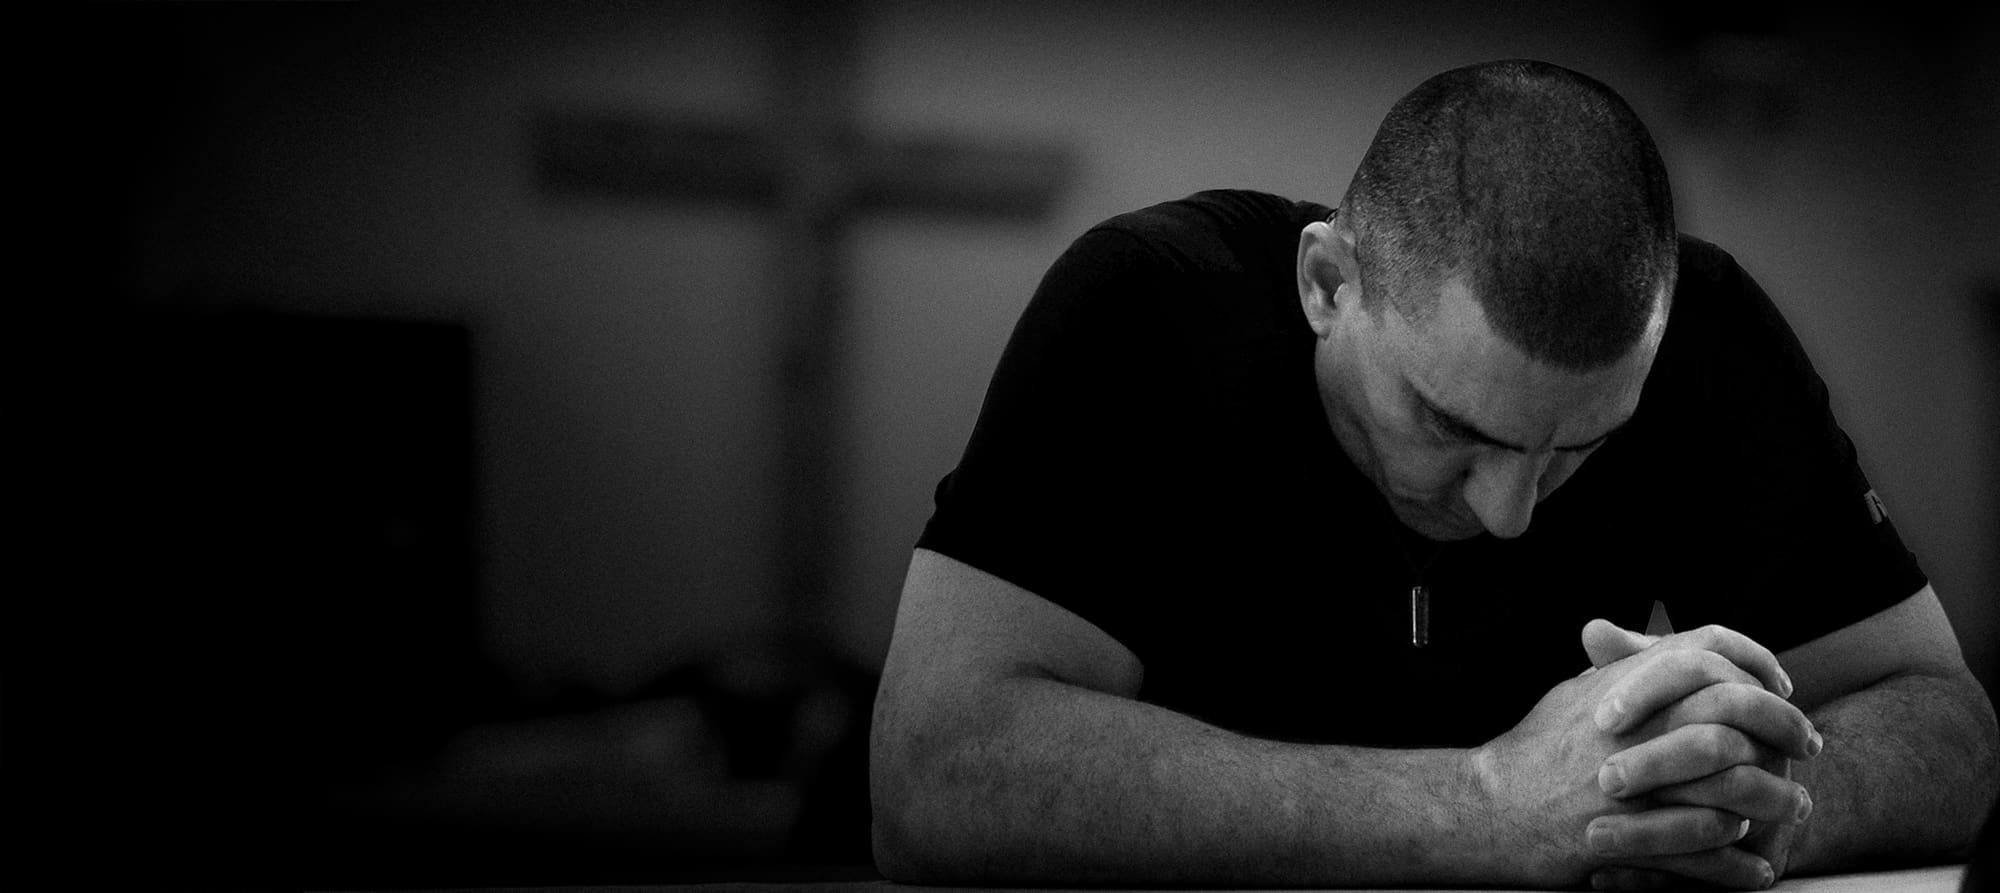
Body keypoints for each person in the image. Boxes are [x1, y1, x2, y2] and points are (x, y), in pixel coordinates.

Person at [867, 60, 1998, 890]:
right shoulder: (1148, 306)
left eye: (1579, 447)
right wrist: (1489, 804)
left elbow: (1949, 725)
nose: (1506, 514)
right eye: (1451, 424)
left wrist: (1748, 802)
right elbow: (933, 771)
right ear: (1325, 284)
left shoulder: (1707, 339)